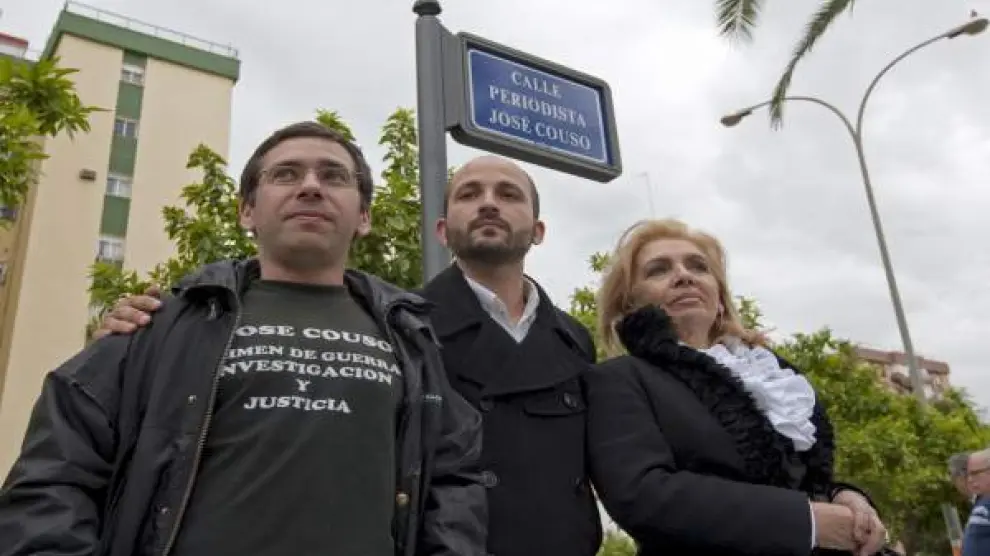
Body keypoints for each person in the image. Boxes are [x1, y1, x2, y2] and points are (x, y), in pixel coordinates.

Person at [0, 121, 486, 556]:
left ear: (364, 217)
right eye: (286, 174)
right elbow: (54, 475)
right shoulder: (158, 325)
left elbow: (452, 479)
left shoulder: (410, 338)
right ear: (247, 212)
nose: (311, 186)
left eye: (334, 176)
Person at [92, 154, 602, 556]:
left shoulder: (573, 339)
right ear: (442, 231)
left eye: (508, 195)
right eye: (470, 194)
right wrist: (128, 337)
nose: (489, 204)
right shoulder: (401, 327)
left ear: (539, 230)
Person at [585, 218, 889, 556]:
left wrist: (842, 497)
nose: (684, 276)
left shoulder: (773, 376)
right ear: (629, 303)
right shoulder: (620, 379)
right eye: (658, 270)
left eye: (698, 266)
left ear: (719, 298)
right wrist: (807, 522)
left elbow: (795, 479)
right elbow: (643, 495)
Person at [963, 448, 990, 556]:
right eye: (968, 475)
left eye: (975, 473)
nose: (969, 480)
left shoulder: (984, 508)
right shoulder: (981, 503)